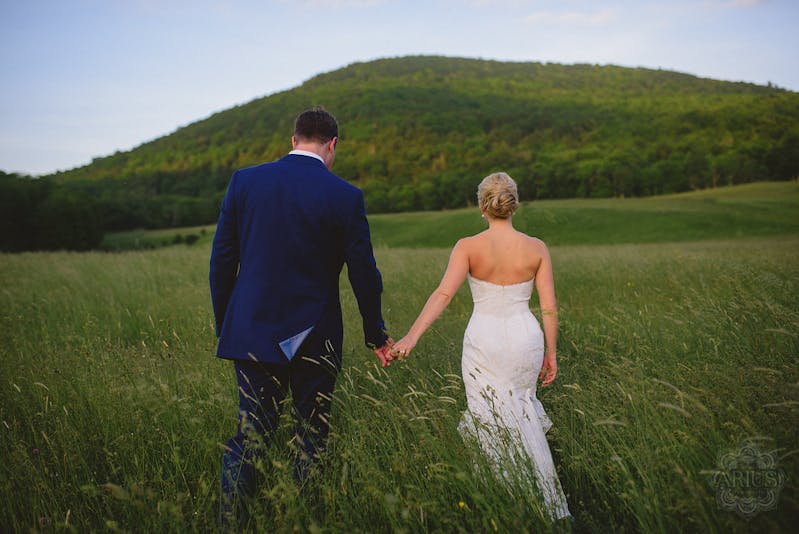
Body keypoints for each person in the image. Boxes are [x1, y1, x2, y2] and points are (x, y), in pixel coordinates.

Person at [209, 107, 394, 524]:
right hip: (317, 335)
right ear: (332, 146)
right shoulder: (346, 196)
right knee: (312, 435)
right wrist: (375, 335)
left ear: (294, 141)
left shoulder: (245, 181)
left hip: (250, 332)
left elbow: (221, 263)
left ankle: (230, 524)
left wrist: (229, 329)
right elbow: (365, 273)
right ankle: (303, 522)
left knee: (251, 436)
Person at [391, 172, 571, 521]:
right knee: (521, 412)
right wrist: (551, 353)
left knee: (487, 416)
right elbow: (548, 306)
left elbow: (443, 294)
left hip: (484, 338)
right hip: (525, 336)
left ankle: (501, 503)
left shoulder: (468, 246)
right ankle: (545, 502)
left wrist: (411, 336)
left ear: (482, 206)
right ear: (513, 204)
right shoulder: (536, 248)